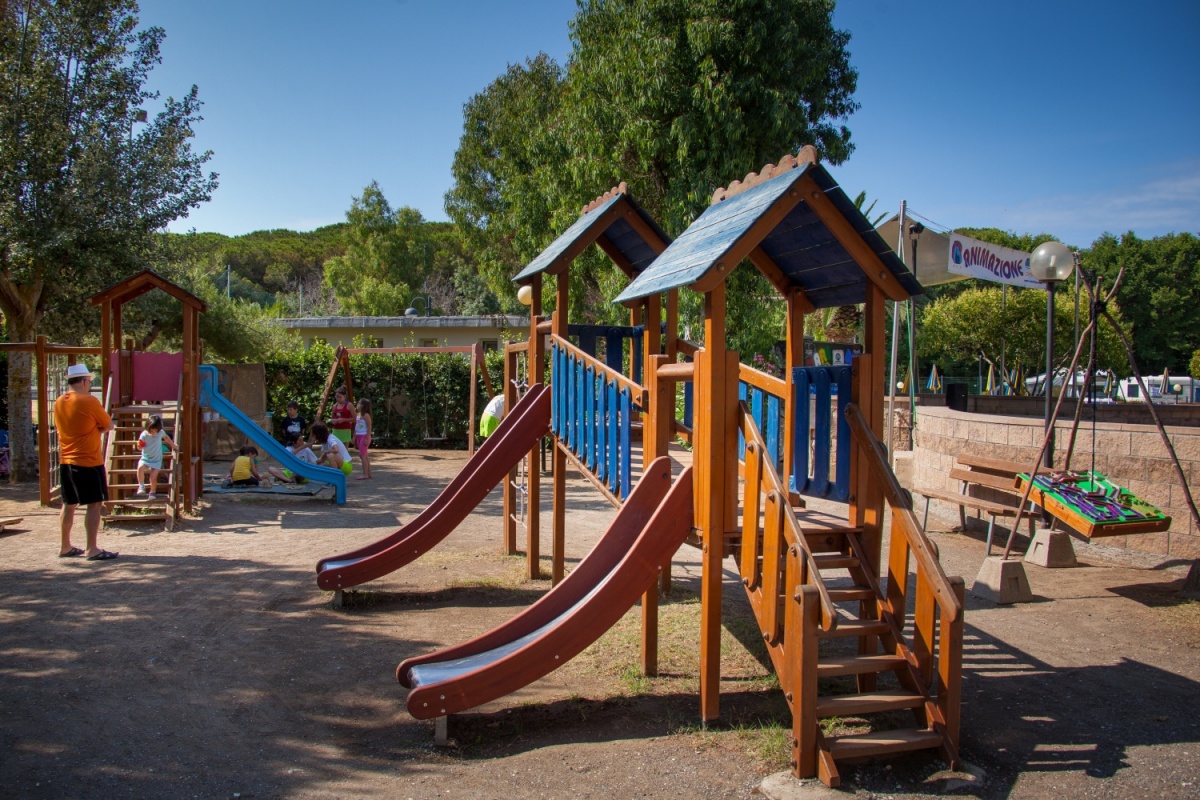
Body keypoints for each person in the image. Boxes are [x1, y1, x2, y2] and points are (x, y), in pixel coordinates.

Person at [54, 363, 117, 561]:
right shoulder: (88, 401)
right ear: (83, 381)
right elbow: (109, 425)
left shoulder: (59, 402)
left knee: (69, 504)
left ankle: (65, 546)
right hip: (88, 460)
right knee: (94, 504)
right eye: (89, 381)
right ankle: (92, 548)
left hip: (66, 459)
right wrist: (95, 431)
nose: (90, 385)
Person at [135, 415, 178, 500]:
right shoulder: (144, 435)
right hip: (146, 458)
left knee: (153, 478)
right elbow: (139, 446)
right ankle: (141, 485)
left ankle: (152, 492)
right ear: (148, 428)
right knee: (140, 468)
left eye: (156, 430)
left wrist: (172, 445)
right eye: (152, 430)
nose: (154, 432)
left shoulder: (160, 432)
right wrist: (139, 446)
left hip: (156, 459)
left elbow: (166, 438)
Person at [354, 398, 373, 480]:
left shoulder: (366, 415)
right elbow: (356, 426)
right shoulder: (358, 415)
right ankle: (369, 473)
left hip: (364, 436)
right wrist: (354, 437)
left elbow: (369, 426)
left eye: (359, 403)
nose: (357, 405)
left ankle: (365, 474)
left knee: (362, 455)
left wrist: (367, 437)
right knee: (364, 455)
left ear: (363, 406)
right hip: (358, 436)